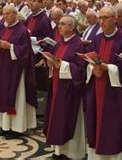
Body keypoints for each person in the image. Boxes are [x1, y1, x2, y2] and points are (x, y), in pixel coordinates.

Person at [85, 6, 122, 159]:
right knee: (94, 120)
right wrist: (93, 68)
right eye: (100, 18)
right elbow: (90, 59)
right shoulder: (97, 38)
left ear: (115, 19)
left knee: (112, 125)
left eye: (106, 18)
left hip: (113, 91)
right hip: (96, 86)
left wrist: (107, 68)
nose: (102, 21)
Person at [44, 14, 87, 159]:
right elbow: (56, 63)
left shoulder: (79, 45)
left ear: (72, 27)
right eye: (59, 24)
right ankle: (59, 151)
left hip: (70, 90)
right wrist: (51, 63)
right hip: (58, 86)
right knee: (56, 118)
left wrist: (61, 65)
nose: (59, 26)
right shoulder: (59, 43)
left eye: (62, 24)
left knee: (68, 119)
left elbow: (81, 69)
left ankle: (73, 153)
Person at [0, 4, 37, 134]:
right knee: (3, 94)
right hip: (3, 67)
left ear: (15, 14)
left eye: (8, 14)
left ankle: (16, 128)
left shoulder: (22, 30)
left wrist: (10, 47)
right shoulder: (3, 29)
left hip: (16, 70)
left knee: (16, 96)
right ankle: (5, 126)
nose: (5, 16)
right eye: (4, 14)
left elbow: (26, 52)